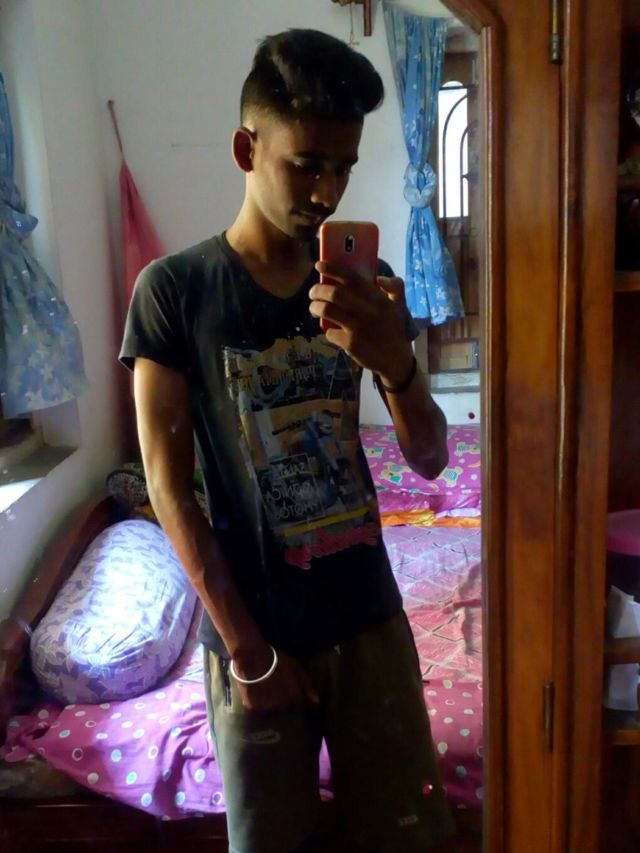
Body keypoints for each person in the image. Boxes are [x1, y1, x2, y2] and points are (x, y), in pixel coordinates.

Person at [120, 28, 455, 853]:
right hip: (253, 633)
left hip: (369, 618)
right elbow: (167, 485)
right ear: (247, 149)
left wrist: (395, 362)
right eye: (306, 165)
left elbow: (430, 458)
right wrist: (248, 651)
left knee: (408, 838)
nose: (327, 191)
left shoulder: (369, 290)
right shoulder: (175, 292)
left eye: (343, 167)